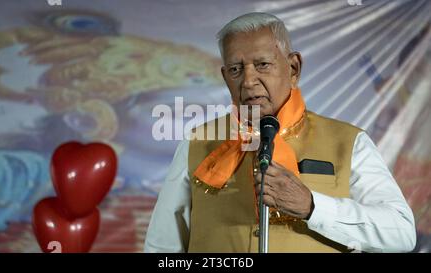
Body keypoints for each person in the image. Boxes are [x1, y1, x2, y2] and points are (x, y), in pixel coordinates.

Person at [144, 12, 416, 253]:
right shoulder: (196, 143)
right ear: (227, 78)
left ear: (294, 68)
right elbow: (163, 245)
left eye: (262, 64)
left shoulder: (349, 142)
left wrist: (312, 207)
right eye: (237, 70)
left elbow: (401, 233)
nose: (249, 81)